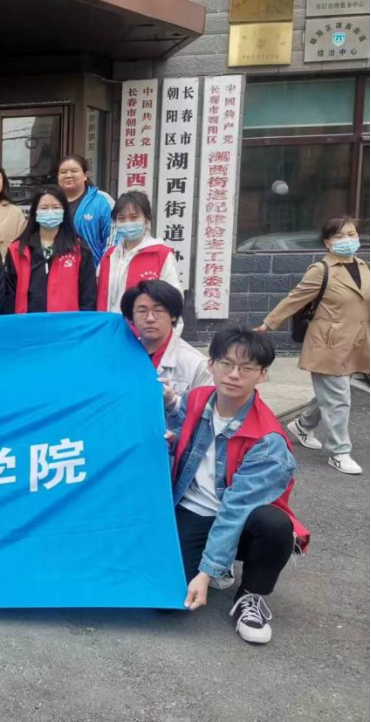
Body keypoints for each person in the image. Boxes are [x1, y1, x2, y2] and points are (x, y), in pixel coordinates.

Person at [165, 323, 309, 645]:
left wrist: (206, 572)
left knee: (275, 525)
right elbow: (180, 430)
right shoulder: (197, 398)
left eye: (246, 368)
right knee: (167, 602)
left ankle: (250, 595)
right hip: (192, 509)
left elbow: (236, 508)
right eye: (226, 364)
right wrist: (171, 409)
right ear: (211, 364)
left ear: (263, 374)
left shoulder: (268, 439)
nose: (233, 375)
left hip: (241, 519)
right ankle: (218, 562)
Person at [259, 216, 369, 476]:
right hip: (327, 344)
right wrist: (267, 325)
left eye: (351, 234)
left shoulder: (363, 266)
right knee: (339, 398)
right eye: (340, 236)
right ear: (328, 243)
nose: (347, 240)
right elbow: (294, 299)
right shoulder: (321, 269)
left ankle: (302, 425)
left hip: (355, 343)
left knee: (331, 393)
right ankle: (339, 452)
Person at [4, 184, 96, 314]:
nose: (50, 212)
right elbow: (9, 297)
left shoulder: (80, 250)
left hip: (66, 324)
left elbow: (88, 298)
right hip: (27, 323)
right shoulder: (17, 251)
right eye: (44, 208)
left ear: (64, 211)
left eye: (56, 207)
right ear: (35, 212)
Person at [122, 280, 211, 397]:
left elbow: (207, 407)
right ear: (131, 318)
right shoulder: (120, 358)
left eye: (158, 311)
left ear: (173, 315)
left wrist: (173, 402)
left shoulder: (197, 365)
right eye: (142, 311)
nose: (150, 319)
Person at [97, 191, 181, 316]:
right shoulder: (109, 256)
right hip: (110, 326)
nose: (127, 223)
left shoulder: (161, 255)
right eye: (121, 218)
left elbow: (174, 300)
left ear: (146, 220)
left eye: (134, 217)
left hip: (146, 326)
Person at [56, 154, 115, 266]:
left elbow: (113, 240)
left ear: (85, 175)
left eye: (74, 171)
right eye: (63, 172)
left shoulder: (102, 201)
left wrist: (103, 270)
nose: (68, 175)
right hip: (59, 271)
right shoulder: (50, 202)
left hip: (94, 271)